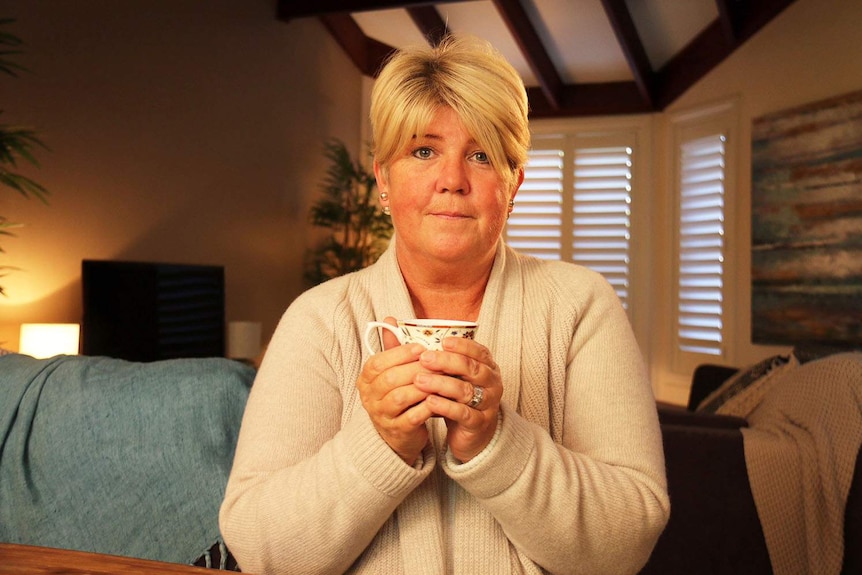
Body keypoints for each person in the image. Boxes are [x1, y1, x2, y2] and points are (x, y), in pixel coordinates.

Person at [219, 35, 669, 575]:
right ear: (383, 179)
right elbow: (261, 551)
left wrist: (494, 440)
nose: (452, 181)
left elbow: (629, 541)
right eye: (424, 151)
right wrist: (379, 444)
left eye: (481, 156)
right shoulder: (317, 320)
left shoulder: (581, 306)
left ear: (514, 184)